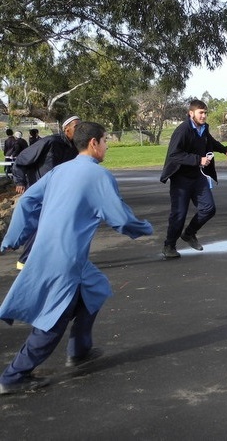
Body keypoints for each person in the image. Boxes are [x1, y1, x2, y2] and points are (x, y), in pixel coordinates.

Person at [0, 122, 153, 395]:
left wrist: (12, 240)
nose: (107, 146)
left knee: (96, 289)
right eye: (105, 140)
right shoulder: (99, 176)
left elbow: (25, 202)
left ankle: (80, 351)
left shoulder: (61, 170)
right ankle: (13, 376)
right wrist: (143, 228)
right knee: (53, 321)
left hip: (60, 255)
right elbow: (119, 218)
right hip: (65, 260)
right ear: (94, 143)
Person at [161, 99, 227, 259]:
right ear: (191, 113)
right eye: (200, 113)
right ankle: (169, 245)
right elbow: (174, 155)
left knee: (209, 209)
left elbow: (210, 141)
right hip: (180, 179)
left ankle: (189, 234)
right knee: (179, 214)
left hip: (197, 177)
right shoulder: (183, 130)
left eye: (205, 113)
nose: (203, 116)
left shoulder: (203, 128)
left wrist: (225, 150)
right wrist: (198, 160)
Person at [11, 115, 80, 269]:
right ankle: (24, 261)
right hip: (39, 189)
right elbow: (21, 159)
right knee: (40, 225)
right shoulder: (50, 142)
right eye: (76, 126)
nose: (79, 130)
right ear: (66, 128)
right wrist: (20, 181)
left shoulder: (75, 148)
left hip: (58, 192)